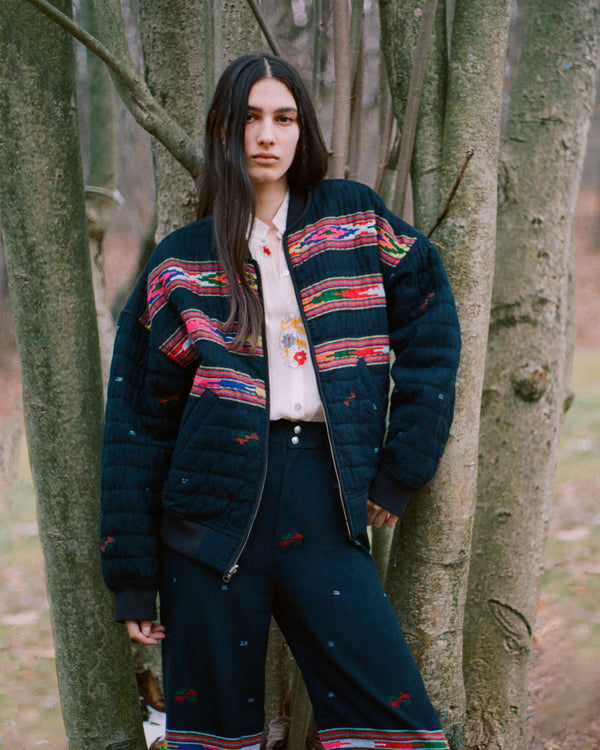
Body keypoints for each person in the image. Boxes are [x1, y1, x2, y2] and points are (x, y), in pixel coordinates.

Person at [100, 53, 461, 750]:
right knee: (216, 742)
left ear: (302, 130)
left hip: (325, 501)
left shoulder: (354, 221)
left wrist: (402, 465)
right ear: (222, 131)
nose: (267, 134)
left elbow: (431, 323)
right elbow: (137, 425)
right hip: (208, 525)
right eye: (250, 119)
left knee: (398, 731)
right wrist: (134, 577)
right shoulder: (180, 260)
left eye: (284, 118)